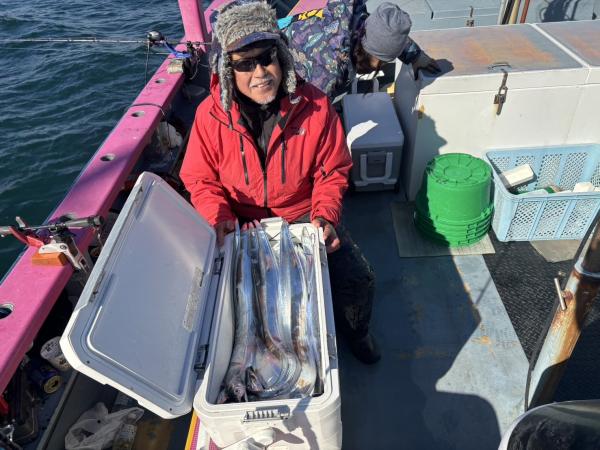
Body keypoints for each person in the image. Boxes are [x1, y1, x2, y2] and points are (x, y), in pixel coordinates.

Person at [180, 0, 381, 364]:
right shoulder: (209, 116)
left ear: (282, 57)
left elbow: (332, 170)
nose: (259, 72)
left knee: (358, 279)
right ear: (227, 70)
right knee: (228, 299)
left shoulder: (316, 106)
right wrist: (219, 216)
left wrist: (325, 215)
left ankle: (357, 333)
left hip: (303, 214)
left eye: (266, 58)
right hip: (240, 221)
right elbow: (199, 178)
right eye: (244, 64)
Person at [283, 0, 440, 98]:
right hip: (285, 65)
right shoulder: (328, 74)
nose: (382, 66)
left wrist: (416, 56)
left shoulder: (356, 16)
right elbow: (312, 115)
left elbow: (386, 36)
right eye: (383, 62)